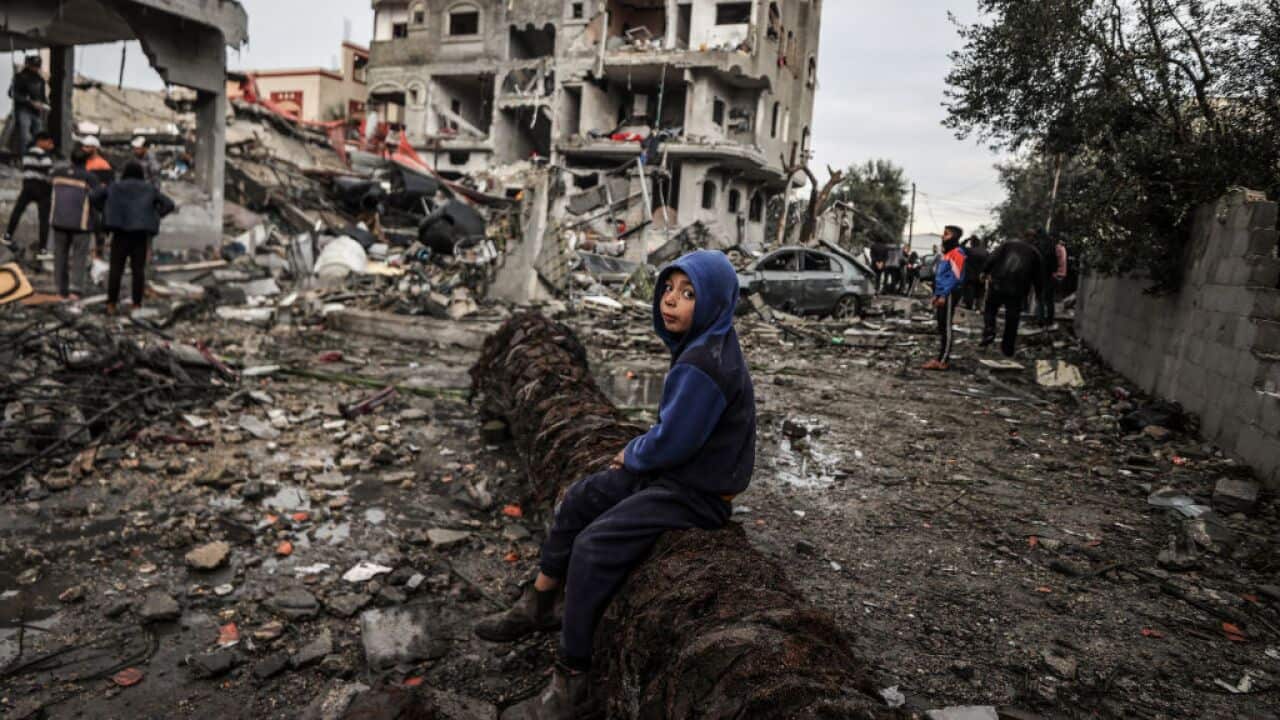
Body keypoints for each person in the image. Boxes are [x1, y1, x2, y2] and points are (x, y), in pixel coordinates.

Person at [475, 250, 756, 719]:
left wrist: (635, 452)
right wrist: (645, 452)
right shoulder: (704, 346)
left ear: (716, 303)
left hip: (697, 493)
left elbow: (674, 442)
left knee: (592, 549)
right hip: (676, 473)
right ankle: (540, 601)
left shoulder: (705, 364)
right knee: (583, 496)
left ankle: (573, 682)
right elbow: (675, 433)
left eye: (689, 294)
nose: (671, 301)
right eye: (668, 288)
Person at [97, 161, 175, 315]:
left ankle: (111, 304)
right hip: (140, 235)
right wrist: (155, 215)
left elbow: (94, 196)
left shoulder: (115, 186)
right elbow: (169, 204)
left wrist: (106, 210)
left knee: (116, 270)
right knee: (138, 270)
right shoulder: (149, 188)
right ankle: (136, 304)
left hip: (119, 233)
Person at [49, 149, 103, 301]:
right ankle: (75, 290)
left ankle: (60, 290)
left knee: (60, 256)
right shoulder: (90, 177)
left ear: (71, 160)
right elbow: (98, 197)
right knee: (79, 256)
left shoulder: (57, 173)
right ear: (86, 161)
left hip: (58, 220)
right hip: (81, 222)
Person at [980, 239, 1043, 357]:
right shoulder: (1035, 253)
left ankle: (989, 329)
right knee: (1012, 319)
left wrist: (984, 271)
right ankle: (1007, 348)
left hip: (998, 283)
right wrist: (1039, 294)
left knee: (990, 308)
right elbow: (1038, 277)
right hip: (1018, 289)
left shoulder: (1007, 245)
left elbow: (992, 258)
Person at [3, 131, 56, 264]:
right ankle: (43, 249)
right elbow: (49, 170)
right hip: (42, 187)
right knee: (44, 219)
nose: (51, 145)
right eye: (49, 142)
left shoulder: (27, 152)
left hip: (28, 185)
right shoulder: (43, 154)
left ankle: (8, 235)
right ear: (40, 141)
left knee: (18, 210)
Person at [924, 225, 967, 371]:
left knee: (946, 326)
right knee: (941, 325)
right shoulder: (947, 254)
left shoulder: (957, 253)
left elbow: (954, 277)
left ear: (955, 236)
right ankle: (940, 357)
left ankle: (943, 360)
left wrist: (943, 294)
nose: (943, 237)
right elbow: (941, 277)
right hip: (942, 293)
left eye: (947, 234)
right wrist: (936, 294)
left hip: (949, 293)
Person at [79, 135, 114, 259]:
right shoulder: (84, 162)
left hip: (97, 202)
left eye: (87, 147)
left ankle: (98, 255)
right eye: (83, 146)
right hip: (84, 200)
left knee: (98, 229)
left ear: (95, 148)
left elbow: (106, 185)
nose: (84, 149)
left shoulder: (102, 164)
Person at [8, 55, 49, 156]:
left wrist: (44, 105)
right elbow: (12, 93)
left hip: (36, 112)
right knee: (25, 137)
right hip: (23, 111)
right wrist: (29, 101)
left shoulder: (40, 80)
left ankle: (37, 158)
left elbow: (42, 96)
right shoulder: (20, 77)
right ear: (29, 65)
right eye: (34, 66)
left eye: (37, 66)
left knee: (39, 137)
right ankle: (24, 159)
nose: (35, 68)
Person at [1033, 230, 1057, 326]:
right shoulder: (1051, 245)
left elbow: (1035, 261)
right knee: (1049, 299)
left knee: (1040, 298)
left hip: (1040, 275)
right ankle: (1050, 320)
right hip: (1050, 275)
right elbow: (1055, 263)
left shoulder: (1038, 246)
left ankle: (1040, 320)